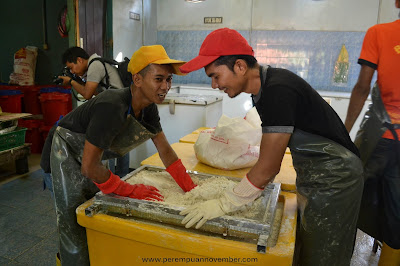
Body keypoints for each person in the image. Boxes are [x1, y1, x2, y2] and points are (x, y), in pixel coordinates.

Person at [178, 28, 364, 265]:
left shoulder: (277, 90)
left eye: (216, 76)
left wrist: (225, 203)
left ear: (240, 66)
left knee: (324, 256)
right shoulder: (264, 90)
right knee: (308, 248)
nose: (215, 85)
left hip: (337, 177)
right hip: (317, 175)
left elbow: (268, 167)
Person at [42, 45, 197, 265]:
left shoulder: (149, 107)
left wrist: (191, 189)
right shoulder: (112, 105)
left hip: (89, 160)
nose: (165, 87)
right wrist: (131, 191)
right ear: (138, 79)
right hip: (61, 155)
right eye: (159, 79)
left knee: (93, 218)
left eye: (169, 80)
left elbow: (165, 151)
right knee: (73, 227)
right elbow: (89, 168)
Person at [344, 0, 400, 263]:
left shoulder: (380, 33)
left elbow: (363, 86)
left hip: (379, 140)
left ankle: (339, 254)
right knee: (397, 215)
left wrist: (343, 132)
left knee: (350, 195)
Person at [59, 46, 129, 181]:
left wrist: (72, 82)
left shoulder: (95, 65)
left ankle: (113, 179)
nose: (72, 71)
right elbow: (99, 93)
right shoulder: (98, 62)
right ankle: (123, 177)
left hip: (114, 108)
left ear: (79, 60)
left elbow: (87, 94)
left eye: (71, 67)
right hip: (121, 106)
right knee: (120, 144)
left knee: (109, 146)